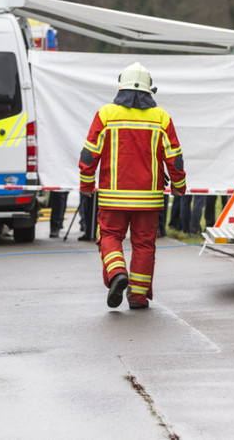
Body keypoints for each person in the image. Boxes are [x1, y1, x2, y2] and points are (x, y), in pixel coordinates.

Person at [78, 62, 186, 310]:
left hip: (112, 198)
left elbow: (89, 155)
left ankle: (117, 273)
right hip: (148, 199)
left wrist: (86, 184)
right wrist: (179, 186)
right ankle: (137, 296)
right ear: (149, 90)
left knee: (109, 236)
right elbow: (175, 158)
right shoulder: (161, 117)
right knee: (144, 245)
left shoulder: (106, 114)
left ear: (120, 87)